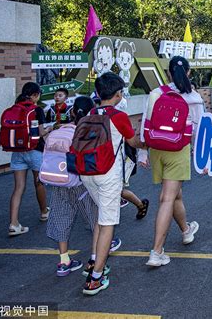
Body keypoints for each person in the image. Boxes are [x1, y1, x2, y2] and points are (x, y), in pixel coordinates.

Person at [81, 72, 146, 295]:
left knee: (102, 215)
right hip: (107, 173)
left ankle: (93, 260)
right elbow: (133, 141)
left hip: (86, 171)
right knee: (108, 222)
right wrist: (149, 145)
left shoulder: (90, 112)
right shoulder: (118, 116)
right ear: (118, 94)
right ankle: (95, 278)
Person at [140, 56, 203, 267]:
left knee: (174, 194)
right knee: (167, 197)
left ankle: (186, 230)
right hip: (178, 148)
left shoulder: (156, 93)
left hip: (157, 149)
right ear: (189, 73)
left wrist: (142, 153)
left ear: (167, 73)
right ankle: (156, 252)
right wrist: (201, 158)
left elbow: (145, 124)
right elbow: (198, 130)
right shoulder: (193, 97)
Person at [45, 96, 102, 277]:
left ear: (72, 111)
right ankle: (94, 258)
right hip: (79, 181)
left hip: (57, 181)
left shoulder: (59, 130)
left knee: (61, 217)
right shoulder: (85, 133)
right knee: (95, 218)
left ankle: (64, 261)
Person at [8, 82, 52, 236]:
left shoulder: (15, 107)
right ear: (34, 95)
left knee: (18, 188)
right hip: (34, 151)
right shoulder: (36, 109)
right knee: (39, 183)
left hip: (17, 151)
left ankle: (13, 223)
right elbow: (38, 133)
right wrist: (50, 129)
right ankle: (44, 212)